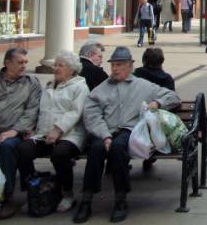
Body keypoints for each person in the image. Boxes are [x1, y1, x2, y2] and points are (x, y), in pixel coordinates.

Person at [73, 47, 180, 224]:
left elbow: (172, 97)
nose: (115, 69)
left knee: (118, 147)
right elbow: (92, 115)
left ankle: (120, 200)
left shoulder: (143, 86)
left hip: (128, 131)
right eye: (113, 65)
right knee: (96, 149)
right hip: (103, 130)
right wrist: (105, 135)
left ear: (130, 66)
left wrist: (157, 102)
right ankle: (87, 199)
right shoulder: (101, 89)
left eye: (120, 65)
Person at [17, 51, 89, 213]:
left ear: (72, 70)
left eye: (60, 65)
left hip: (70, 135)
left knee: (60, 154)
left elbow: (75, 113)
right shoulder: (49, 86)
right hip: (44, 134)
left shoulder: (80, 87)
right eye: (55, 65)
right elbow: (41, 111)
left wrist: (58, 130)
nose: (56, 68)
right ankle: (34, 190)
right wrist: (33, 128)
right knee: (23, 150)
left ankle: (67, 193)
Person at [0, 48, 42, 219]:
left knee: (6, 147)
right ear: (7, 63)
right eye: (20, 62)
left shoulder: (31, 83)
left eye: (26, 62)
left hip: (15, 133)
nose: (24, 65)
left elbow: (31, 112)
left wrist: (13, 131)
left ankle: (7, 198)